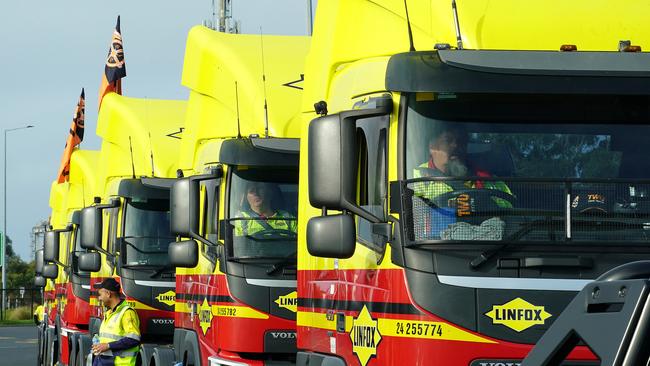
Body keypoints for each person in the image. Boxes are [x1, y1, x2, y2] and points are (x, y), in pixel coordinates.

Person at [413, 125, 512, 207]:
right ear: (432, 146)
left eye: (461, 141)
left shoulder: (490, 181)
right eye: (448, 140)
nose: (455, 145)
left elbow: (510, 217)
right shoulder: (415, 178)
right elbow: (411, 218)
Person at [91, 278, 140, 366]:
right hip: (105, 362)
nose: (99, 298)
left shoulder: (127, 313)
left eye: (100, 294)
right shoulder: (109, 313)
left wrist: (108, 346)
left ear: (108, 294)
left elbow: (134, 339)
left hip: (119, 363)